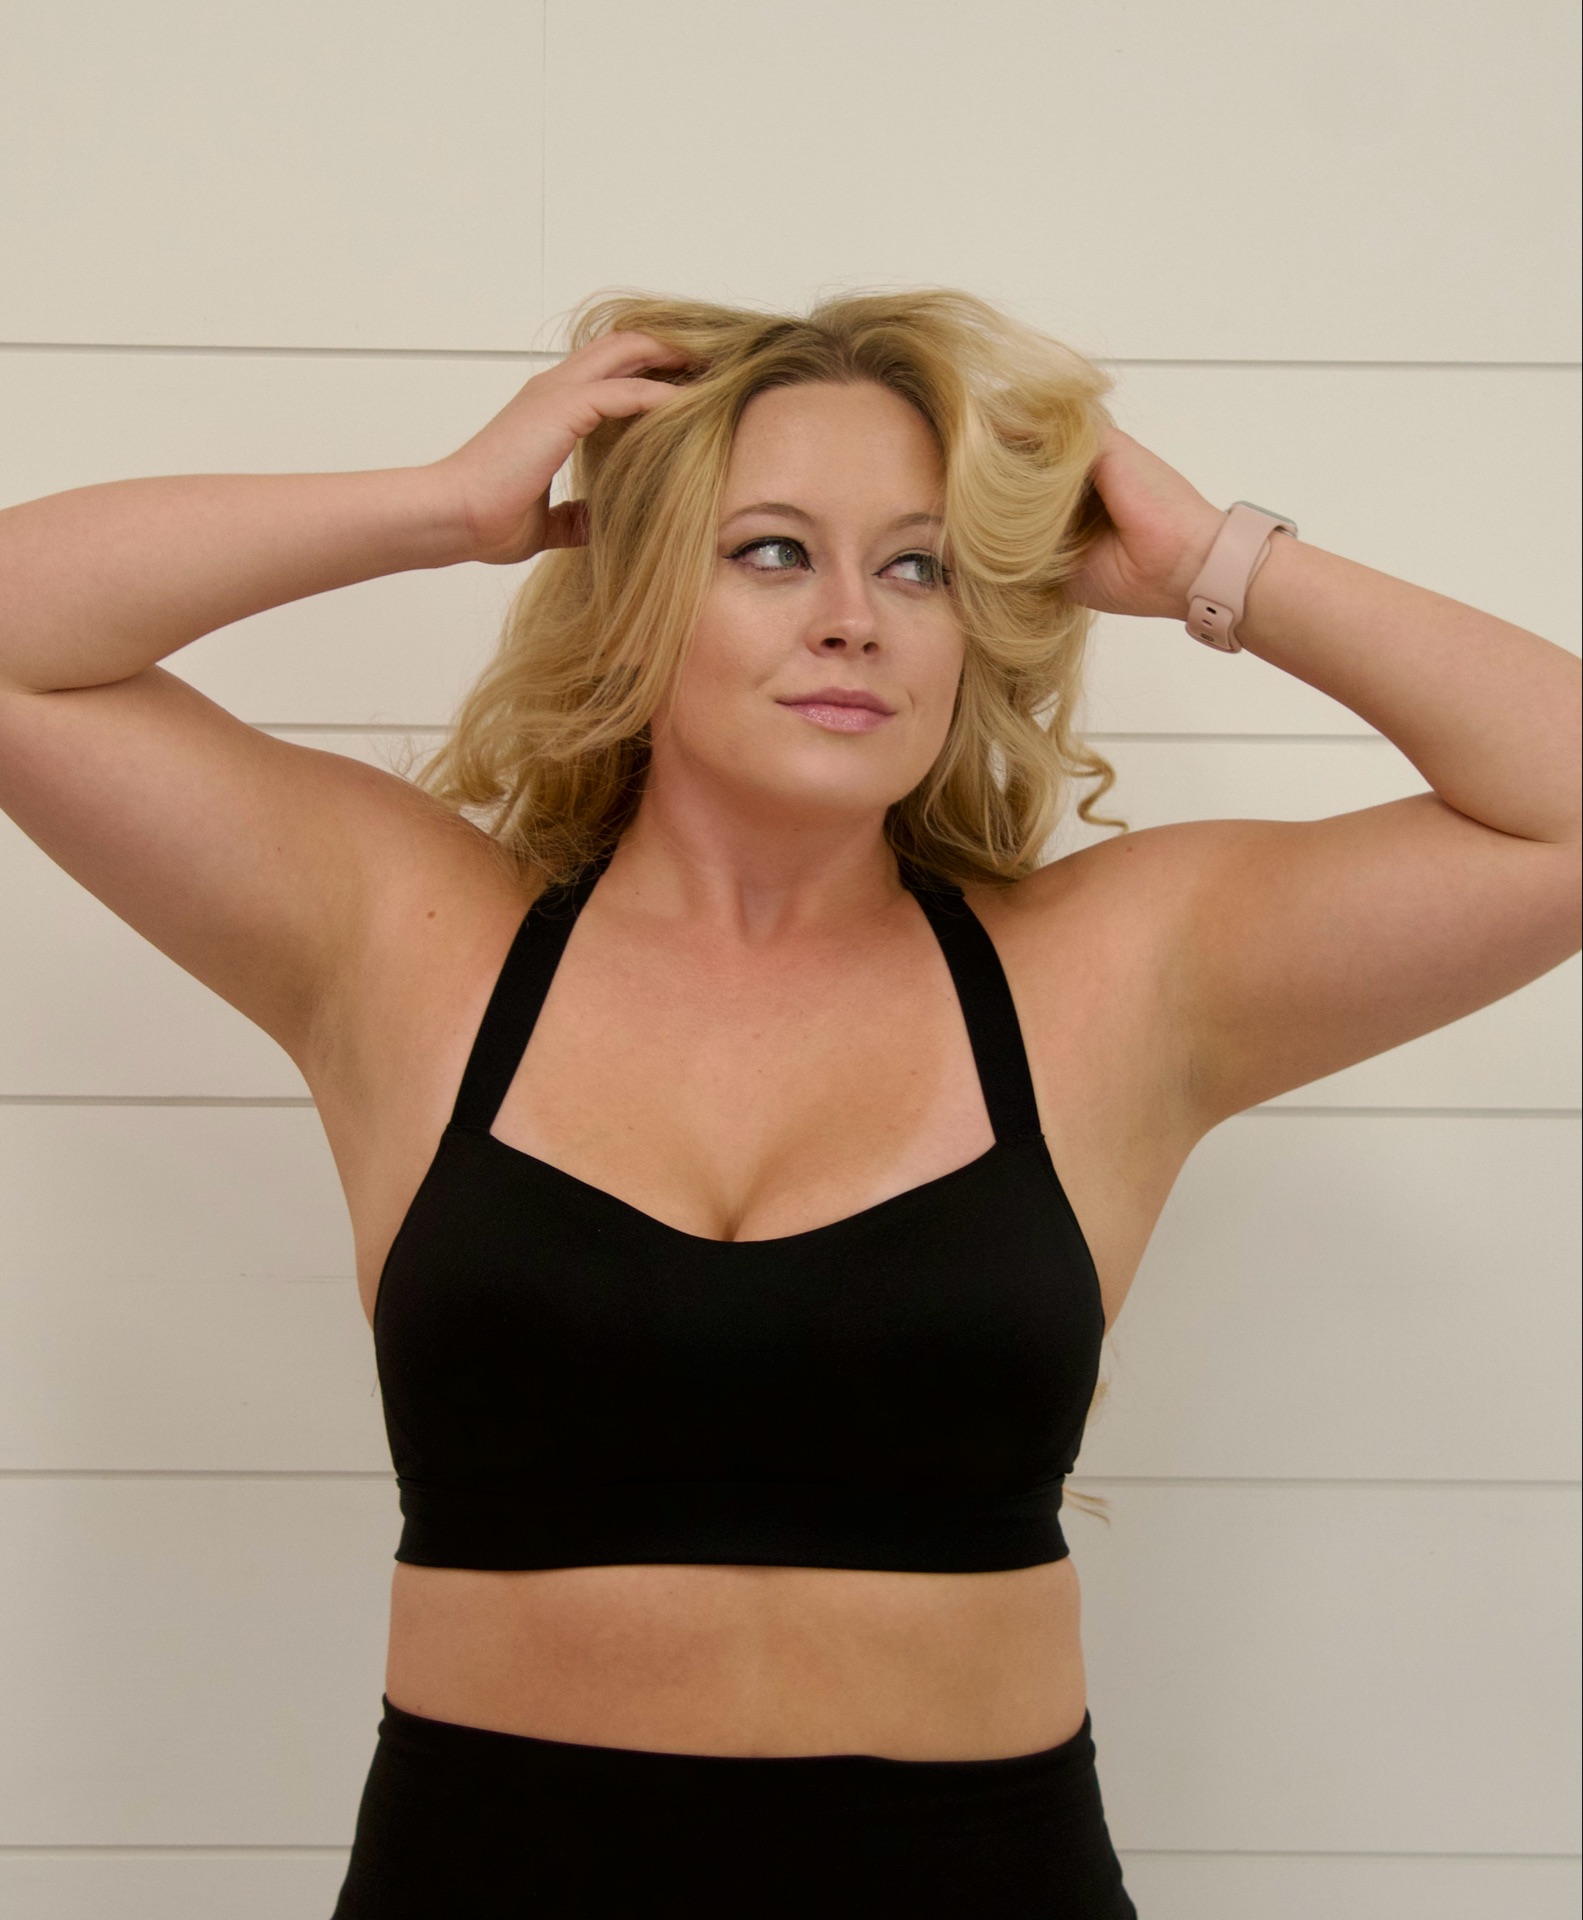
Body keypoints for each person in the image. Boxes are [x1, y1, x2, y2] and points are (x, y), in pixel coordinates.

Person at [0, 289, 1575, 1919]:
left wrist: (1206, 561)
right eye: (771, 552)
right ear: (637, 597)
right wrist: (448, 507)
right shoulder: (417, 947)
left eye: (920, 566)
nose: (854, 619)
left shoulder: (1108, 980)